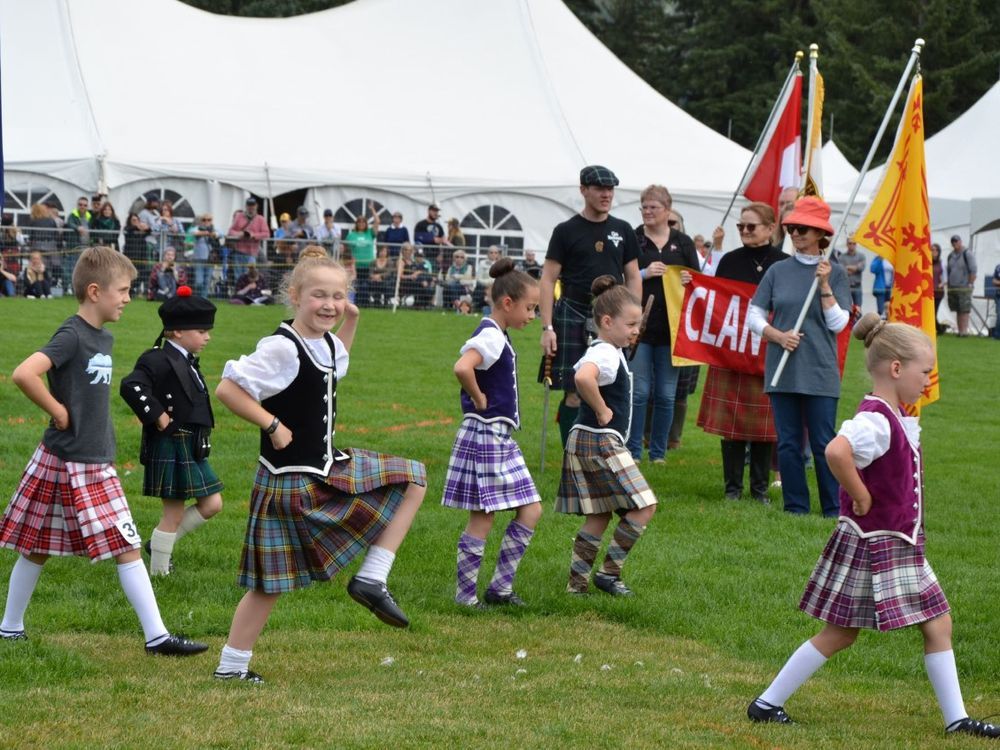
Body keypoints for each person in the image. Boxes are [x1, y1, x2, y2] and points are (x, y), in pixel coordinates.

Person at [747, 313, 1000, 740]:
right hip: (877, 542)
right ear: (896, 368)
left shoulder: (894, 416)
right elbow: (836, 451)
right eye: (924, 371)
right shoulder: (877, 419)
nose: (928, 380)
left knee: (935, 622)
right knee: (843, 632)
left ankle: (956, 719)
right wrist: (860, 496)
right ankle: (767, 703)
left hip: (897, 542)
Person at [211, 252, 426, 683]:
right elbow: (229, 389)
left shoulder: (324, 342)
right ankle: (231, 668)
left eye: (338, 296)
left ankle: (372, 578)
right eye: (319, 296)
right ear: (294, 297)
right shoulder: (281, 347)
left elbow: (334, 363)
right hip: (289, 481)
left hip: (321, 468)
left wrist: (352, 321)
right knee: (267, 585)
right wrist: (270, 423)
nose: (329, 304)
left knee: (413, 478)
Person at [0, 246, 207, 656]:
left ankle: (153, 636)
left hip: (90, 458)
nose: (129, 298)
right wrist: (58, 409)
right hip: (71, 460)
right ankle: (156, 637)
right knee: (84, 546)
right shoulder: (72, 335)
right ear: (95, 292)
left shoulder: (104, 336)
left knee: (89, 546)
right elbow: (25, 373)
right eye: (123, 290)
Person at [443, 258, 542, 607]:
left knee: (530, 510)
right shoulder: (490, 335)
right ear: (507, 303)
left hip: (499, 438)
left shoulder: (497, 334)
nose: (533, 316)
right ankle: (466, 597)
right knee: (483, 517)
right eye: (530, 308)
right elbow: (462, 366)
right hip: (486, 435)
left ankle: (499, 588)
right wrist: (478, 395)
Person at [748, 196, 851, 517]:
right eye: (792, 227)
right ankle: (795, 508)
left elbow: (839, 323)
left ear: (821, 235)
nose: (795, 233)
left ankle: (833, 509)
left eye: (803, 229)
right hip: (782, 368)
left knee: (824, 444)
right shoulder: (778, 270)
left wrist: (823, 285)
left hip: (820, 371)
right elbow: (754, 314)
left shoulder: (835, 273)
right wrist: (777, 336)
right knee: (789, 444)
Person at [556, 276, 657, 596]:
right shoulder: (606, 354)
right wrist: (600, 409)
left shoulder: (604, 349)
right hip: (600, 440)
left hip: (583, 439)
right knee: (644, 506)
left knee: (598, 514)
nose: (636, 331)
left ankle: (576, 585)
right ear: (606, 321)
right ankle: (609, 574)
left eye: (638, 324)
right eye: (630, 324)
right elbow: (583, 377)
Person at [120, 286, 222, 576]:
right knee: (174, 513)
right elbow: (131, 386)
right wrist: (157, 415)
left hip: (190, 443)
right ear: (177, 331)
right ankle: (159, 572)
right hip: (171, 442)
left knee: (212, 503)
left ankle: (158, 545)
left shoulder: (186, 359)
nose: (207, 337)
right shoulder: (157, 359)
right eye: (202, 331)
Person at [539, 165, 642, 447]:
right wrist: (547, 327)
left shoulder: (623, 230)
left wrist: (635, 321)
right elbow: (547, 280)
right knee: (574, 390)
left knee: (610, 384)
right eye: (599, 189)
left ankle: (604, 444)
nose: (606, 194)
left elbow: (633, 276)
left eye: (610, 189)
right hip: (573, 311)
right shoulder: (565, 231)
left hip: (612, 316)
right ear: (583, 189)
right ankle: (571, 451)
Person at [698, 202, 788, 501]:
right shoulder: (729, 261)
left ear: (771, 227)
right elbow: (716, 301)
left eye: (751, 226)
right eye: (741, 227)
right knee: (732, 424)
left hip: (768, 351)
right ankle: (732, 489)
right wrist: (693, 285)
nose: (745, 231)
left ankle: (760, 490)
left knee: (764, 428)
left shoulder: (784, 264)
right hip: (732, 351)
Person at [627, 185, 699, 464]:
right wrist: (643, 274)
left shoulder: (682, 242)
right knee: (640, 391)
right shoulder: (634, 238)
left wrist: (688, 279)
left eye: (653, 207)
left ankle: (658, 452)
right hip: (640, 328)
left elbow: (698, 279)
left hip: (672, 330)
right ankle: (633, 450)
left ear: (667, 210)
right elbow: (623, 273)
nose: (647, 212)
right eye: (643, 207)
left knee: (667, 395)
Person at [226, 197, 271, 280]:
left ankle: (249, 292)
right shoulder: (239, 216)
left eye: (253, 205)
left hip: (252, 253)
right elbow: (230, 231)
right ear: (246, 206)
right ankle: (239, 292)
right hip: (238, 252)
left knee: (250, 275)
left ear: (256, 206)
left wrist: (253, 235)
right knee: (238, 277)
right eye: (249, 205)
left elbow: (266, 234)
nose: (251, 207)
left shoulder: (260, 219)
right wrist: (240, 234)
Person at [345, 207, 380, 300]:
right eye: (359, 222)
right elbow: (346, 250)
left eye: (363, 222)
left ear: (366, 224)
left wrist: (372, 210)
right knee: (355, 284)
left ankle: (365, 301)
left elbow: (377, 222)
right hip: (355, 266)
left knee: (366, 285)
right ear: (356, 224)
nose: (361, 224)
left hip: (368, 265)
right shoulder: (351, 235)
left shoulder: (369, 233)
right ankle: (355, 301)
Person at [945, 234, 976, 336]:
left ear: (960, 242)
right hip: (953, 287)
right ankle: (960, 331)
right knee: (957, 309)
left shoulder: (967, 254)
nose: (955, 244)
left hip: (964, 287)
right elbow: (948, 271)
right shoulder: (950, 256)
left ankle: (964, 331)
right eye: (953, 242)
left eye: (956, 241)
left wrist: (970, 283)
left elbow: (973, 270)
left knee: (964, 310)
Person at [185, 213, 219, 297]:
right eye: (204, 220)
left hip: (210, 259)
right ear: (201, 221)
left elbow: (220, 234)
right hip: (198, 259)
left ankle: (203, 300)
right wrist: (206, 233)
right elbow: (192, 232)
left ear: (211, 221)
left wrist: (214, 234)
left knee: (207, 281)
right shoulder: (196, 228)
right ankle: (198, 297)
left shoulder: (214, 229)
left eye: (209, 220)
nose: (206, 221)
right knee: (199, 281)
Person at [398, 242, 435, 308]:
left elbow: (419, 272)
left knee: (428, 280)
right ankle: (425, 303)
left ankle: (424, 302)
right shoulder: (401, 261)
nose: (407, 252)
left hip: (416, 281)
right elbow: (400, 276)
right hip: (407, 283)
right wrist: (411, 276)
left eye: (409, 250)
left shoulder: (413, 261)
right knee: (424, 284)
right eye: (406, 250)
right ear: (402, 251)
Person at [413, 203, 448, 273]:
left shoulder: (439, 226)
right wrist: (432, 239)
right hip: (422, 256)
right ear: (429, 211)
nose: (435, 213)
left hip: (435, 256)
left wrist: (441, 254)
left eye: (437, 211)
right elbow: (417, 238)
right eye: (434, 211)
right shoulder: (420, 224)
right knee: (423, 275)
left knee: (434, 276)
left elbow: (443, 241)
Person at [835, 238, 865, 308]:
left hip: (857, 287)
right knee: (846, 307)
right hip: (846, 287)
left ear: (856, 244)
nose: (852, 245)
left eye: (854, 243)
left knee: (858, 308)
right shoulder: (841, 257)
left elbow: (861, 268)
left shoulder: (861, 256)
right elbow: (841, 271)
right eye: (850, 243)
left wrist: (848, 267)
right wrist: (855, 268)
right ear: (847, 244)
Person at [472, 245, 501, 312]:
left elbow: (500, 278)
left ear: (498, 254)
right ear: (487, 254)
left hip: (496, 286)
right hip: (484, 285)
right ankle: (478, 307)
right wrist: (488, 283)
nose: (493, 254)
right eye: (491, 252)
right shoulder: (482, 263)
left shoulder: (500, 264)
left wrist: (492, 283)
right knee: (479, 287)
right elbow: (478, 278)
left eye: (495, 253)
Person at [870, 254, 894, 318]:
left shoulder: (892, 258)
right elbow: (873, 269)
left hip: (891, 288)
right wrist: (880, 259)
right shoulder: (878, 259)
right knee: (881, 310)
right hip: (880, 287)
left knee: (890, 310)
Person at [931, 243, 945, 334]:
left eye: (936, 250)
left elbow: (944, 278)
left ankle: (939, 329)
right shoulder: (926, 262)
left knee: (934, 312)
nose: (934, 252)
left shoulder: (942, 263)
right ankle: (939, 328)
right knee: (930, 312)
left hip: (938, 292)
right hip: (928, 291)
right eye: (932, 250)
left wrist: (941, 284)